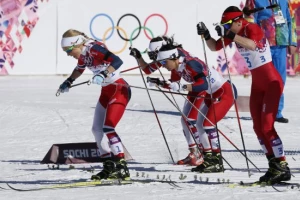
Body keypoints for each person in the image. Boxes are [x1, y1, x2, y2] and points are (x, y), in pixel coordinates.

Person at [197, 6, 291, 183]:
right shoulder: (234, 32)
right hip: (257, 85)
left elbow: (253, 45)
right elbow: (214, 47)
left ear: (238, 22)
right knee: (257, 128)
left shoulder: (251, 28)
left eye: (227, 25)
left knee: (267, 127)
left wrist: (231, 35)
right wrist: (207, 34)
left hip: (272, 83)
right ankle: (273, 165)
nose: (225, 29)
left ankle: (283, 165)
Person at [58, 29, 131, 180]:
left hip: (119, 88)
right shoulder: (83, 54)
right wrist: (68, 81)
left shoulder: (93, 48)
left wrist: (103, 74)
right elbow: (79, 68)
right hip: (106, 91)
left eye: (69, 50)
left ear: (77, 44)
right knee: (96, 129)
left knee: (108, 128)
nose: (68, 54)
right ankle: (108, 166)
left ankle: (122, 166)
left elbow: (117, 61)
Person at [154, 40, 236, 173]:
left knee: (208, 124)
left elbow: (202, 85)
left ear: (172, 58)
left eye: (164, 62)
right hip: (212, 94)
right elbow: (175, 84)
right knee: (199, 125)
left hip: (224, 92)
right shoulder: (178, 65)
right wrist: (162, 83)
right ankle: (208, 158)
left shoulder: (190, 64)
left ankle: (217, 160)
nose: (163, 66)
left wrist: (182, 86)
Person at [130, 36, 205, 166]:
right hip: (194, 87)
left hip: (202, 86)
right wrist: (138, 58)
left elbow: (177, 83)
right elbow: (148, 70)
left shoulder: (171, 57)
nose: (159, 62)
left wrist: (170, 84)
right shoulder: (167, 57)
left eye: (155, 55)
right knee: (185, 120)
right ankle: (194, 152)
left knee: (191, 120)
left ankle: (203, 153)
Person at [244, 0, 298, 123]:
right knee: (264, 78)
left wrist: (292, 41)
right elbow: (249, 20)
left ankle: (276, 112)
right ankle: (261, 109)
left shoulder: (284, 0)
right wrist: (252, 40)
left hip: (281, 43)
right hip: (263, 44)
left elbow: (290, 19)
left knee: (280, 78)